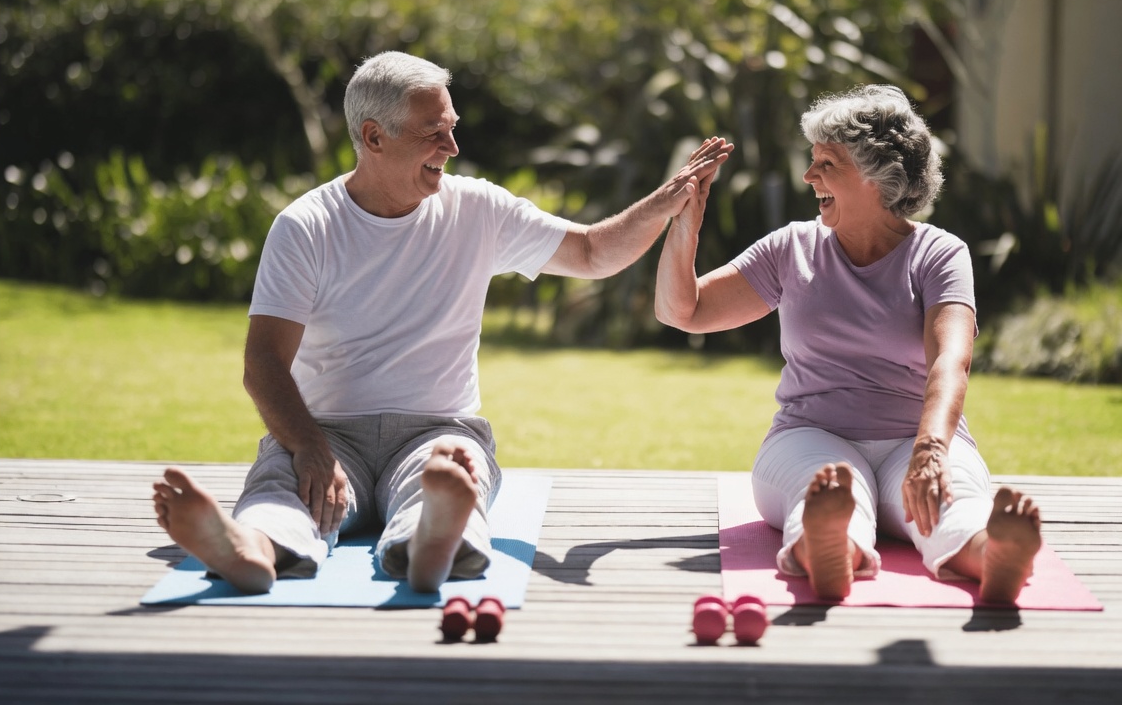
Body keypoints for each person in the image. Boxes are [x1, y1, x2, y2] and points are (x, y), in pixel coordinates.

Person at [152, 51, 731, 594]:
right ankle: (248, 547)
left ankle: (429, 541)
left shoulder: (478, 208)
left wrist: (667, 200)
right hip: (326, 431)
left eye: (451, 126)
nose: (452, 146)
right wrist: (307, 447)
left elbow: (590, 254)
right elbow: (263, 363)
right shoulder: (306, 226)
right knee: (282, 490)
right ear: (375, 137)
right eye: (435, 131)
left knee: (452, 475)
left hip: (437, 430)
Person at [655, 85, 1040, 604]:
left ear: (877, 173)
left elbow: (951, 360)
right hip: (810, 435)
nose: (810, 176)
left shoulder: (940, 254)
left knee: (955, 501)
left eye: (827, 163)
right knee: (827, 491)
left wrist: (930, 450)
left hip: (916, 437)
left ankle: (992, 553)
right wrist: (686, 222)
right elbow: (684, 311)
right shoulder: (792, 248)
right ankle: (829, 547)